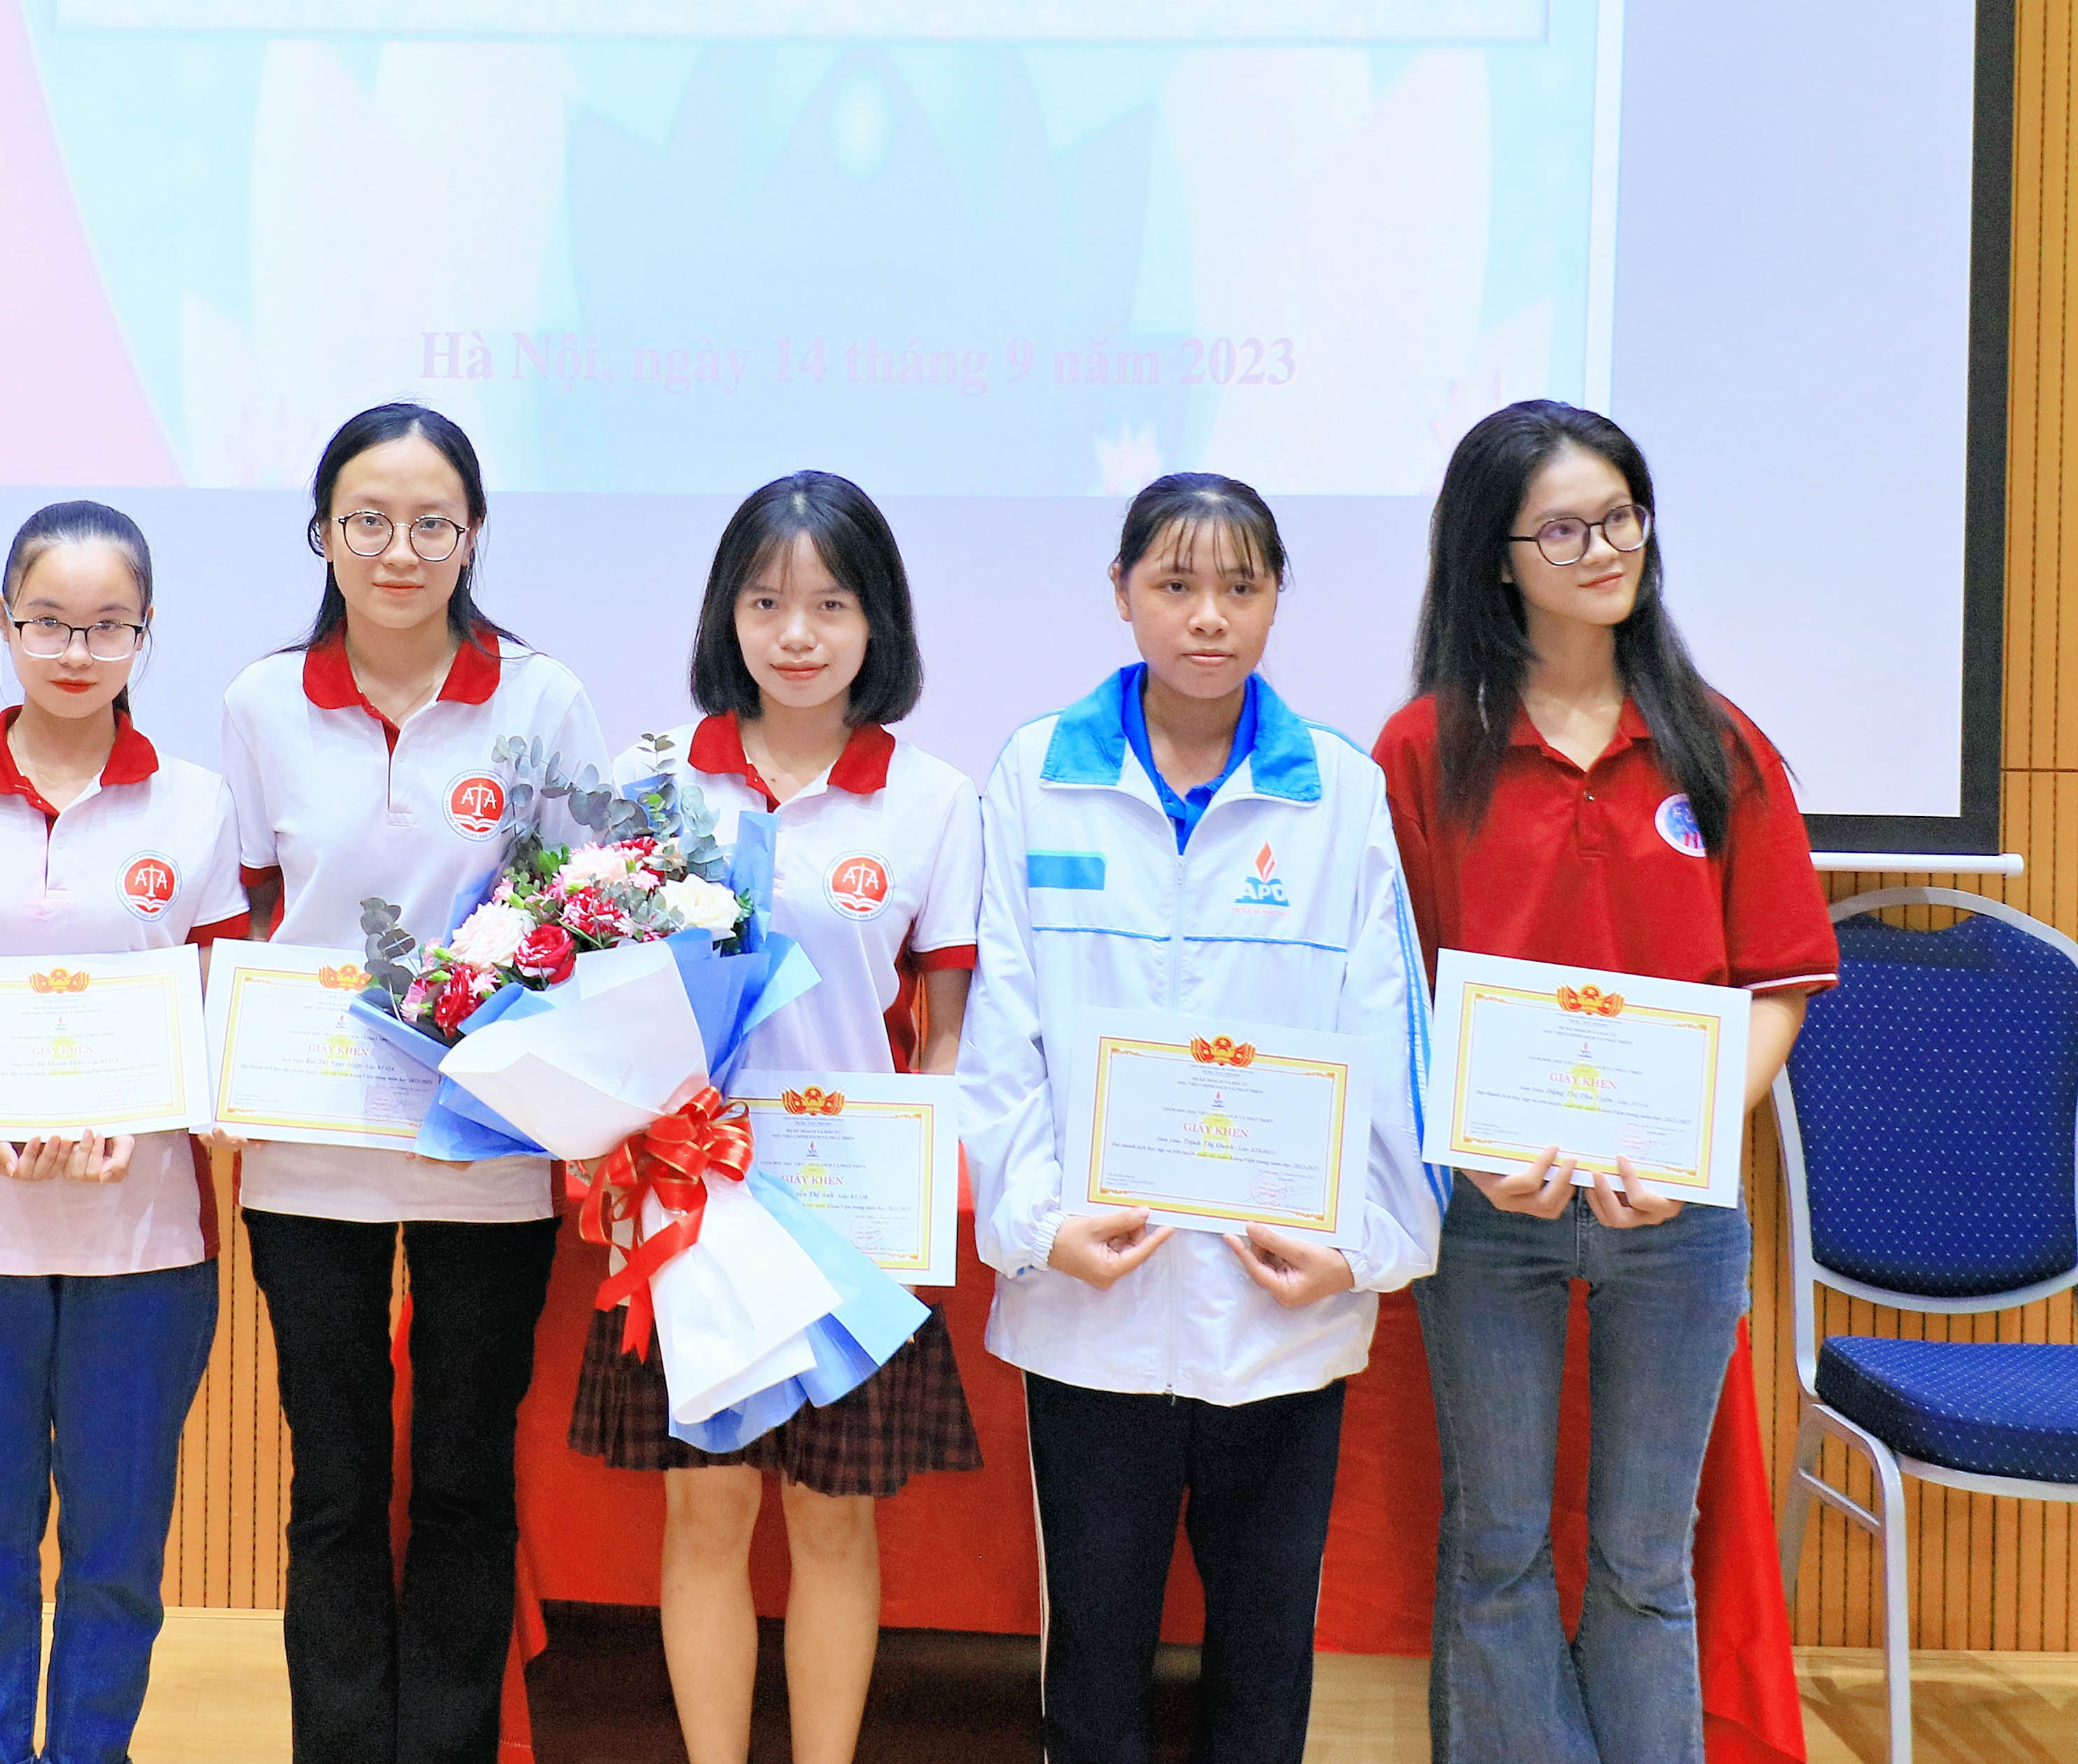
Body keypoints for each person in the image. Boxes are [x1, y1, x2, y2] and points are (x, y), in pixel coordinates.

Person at [956, 474, 1440, 1764]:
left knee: (1265, 1656)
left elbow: (1388, 1032)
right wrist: (1037, 1225)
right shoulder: (1037, 775)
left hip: (1283, 1299)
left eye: (1240, 585)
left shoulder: (1338, 791)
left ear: (1279, 598)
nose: (1208, 616)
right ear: (1121, 593)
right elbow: (1002, 1028)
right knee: (1094, 1655)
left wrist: (1362, 1245)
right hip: (1089, 1296)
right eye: (1175, 584)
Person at [1382, 401, 1836, 1764]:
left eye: (1621, 516)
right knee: (1499, 1543)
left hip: (1677, 1209)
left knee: (1646, 1556)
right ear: (1496, 556)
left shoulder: (1717, 743)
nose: (1604, 549)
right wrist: (1464, 1148)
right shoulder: (1423, 749)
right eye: (1566, 529)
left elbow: (1776, 984)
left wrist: (1688, 1131)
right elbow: (1392, 992)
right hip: (1487, 1205)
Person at [565, 471, 984, 1764]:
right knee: (702, 1513)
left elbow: (947, 1030)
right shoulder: (653, 782)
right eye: (766, 602)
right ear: (726, 616)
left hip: (848, 1214)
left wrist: (922, 1196)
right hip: (690, 1209)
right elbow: (600, 1003)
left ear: (878, 621)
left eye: (831, 603)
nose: (797, 632)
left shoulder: (933, 800)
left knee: (834, 1519)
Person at [221, 402, 610, 1764]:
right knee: (332, 1486)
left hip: (484, 1149)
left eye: (430, 523)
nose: (399, 550)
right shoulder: (262, 702)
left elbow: (587, 907)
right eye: (368, 521)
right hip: (307, 1152)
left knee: (461, 1480)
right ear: (323, 534)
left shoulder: (541, 698)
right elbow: (247, 911)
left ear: (473, 534)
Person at [0, 502, 248, 1764]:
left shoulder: (195, 804)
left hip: (147, 1245)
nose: (78, 650)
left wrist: (132, 1103)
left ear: (145, 633)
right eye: (50, 623)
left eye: (108, 625)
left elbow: (214, 1008)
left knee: (118, 1558)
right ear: (4, 624)